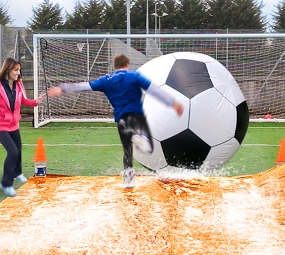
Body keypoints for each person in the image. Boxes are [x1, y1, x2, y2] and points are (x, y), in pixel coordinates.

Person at [47, 53, 184, 189]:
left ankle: (128, 182)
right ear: (127, 65)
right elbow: (153, 90)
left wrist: (62, 88)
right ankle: (139, 136)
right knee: (149, 148)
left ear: (115, 66)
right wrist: (172, 103)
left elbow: (84, 86)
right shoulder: (134, 76)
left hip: (121, 120)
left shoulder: (106, 80)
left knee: (127, 151)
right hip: (136, 118)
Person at [0, 57, 45, 197]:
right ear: (8, 69)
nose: (18, 72)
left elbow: (24, 101)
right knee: (13, 152)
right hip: (0, 126)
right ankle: (6, 183)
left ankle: (17, 173)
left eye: (19, 70)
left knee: (19, 149)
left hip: (14, 124)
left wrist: (36, 102)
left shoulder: (19, 85)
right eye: (15, 70)